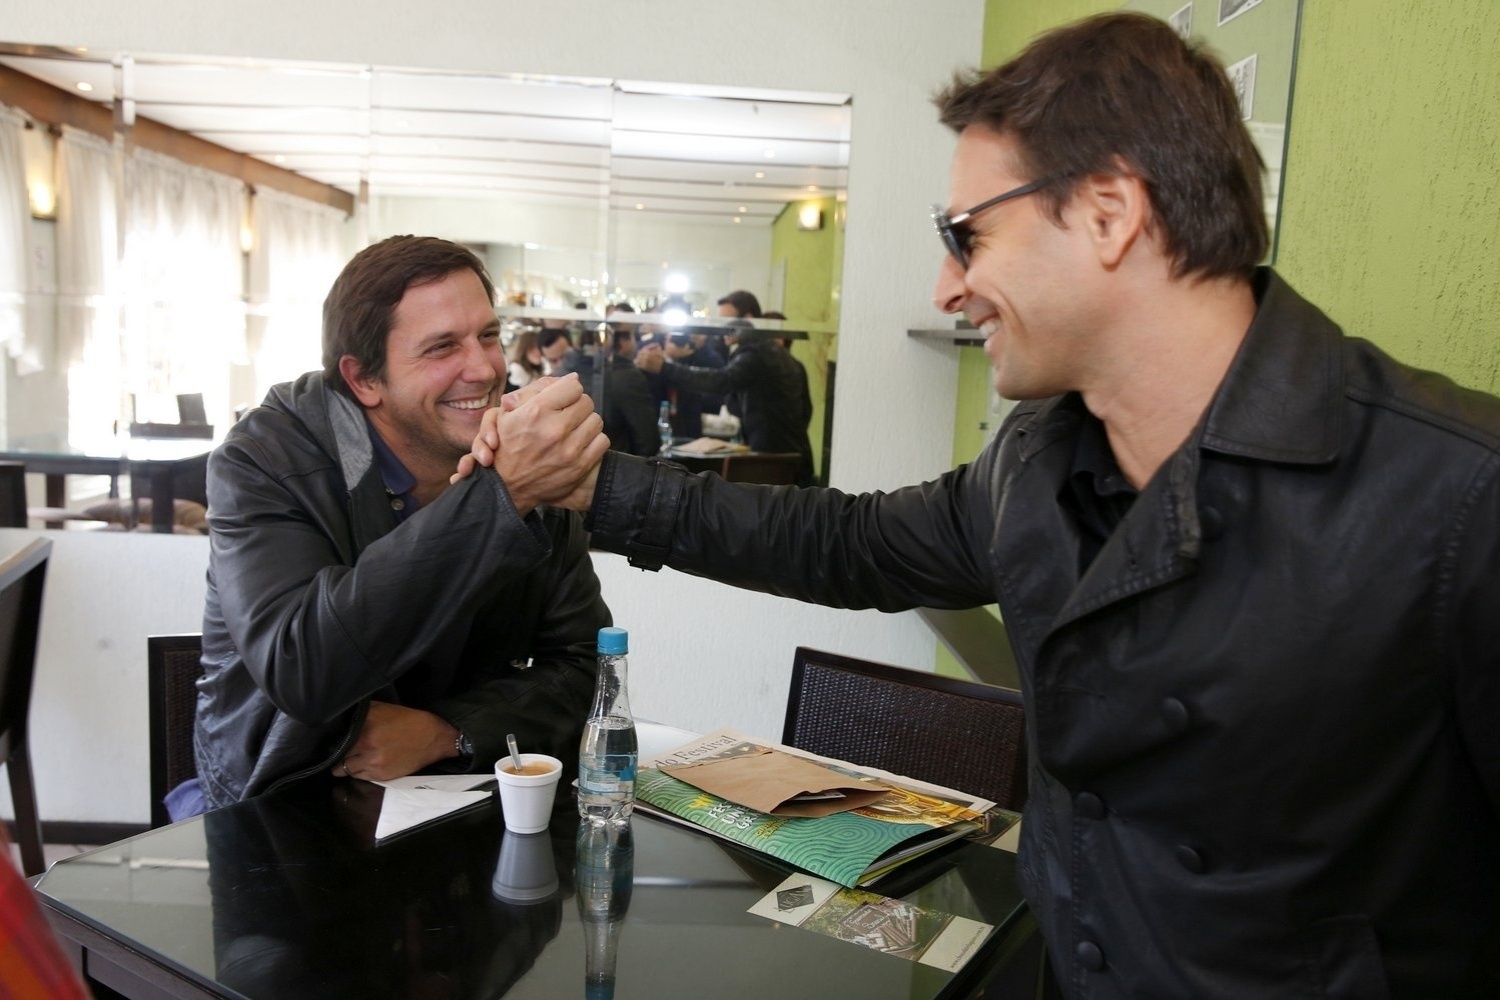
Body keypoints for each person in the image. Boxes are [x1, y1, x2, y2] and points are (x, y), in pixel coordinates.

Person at [459, 12, 1500, 998]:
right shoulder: (1038, 459)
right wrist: (602, 487)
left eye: (967, 236)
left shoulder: (1461, 495)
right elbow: (845, 542)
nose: (946, 288)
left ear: (1107, 211)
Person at [193, 235, 611, 813]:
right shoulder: (265, 461)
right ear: (364, 379)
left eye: (488, 336)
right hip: (288, 807)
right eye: (442, 348)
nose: (485, 368)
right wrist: (502, 496)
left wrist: (448, 730)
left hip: (469, 809)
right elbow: (302, 667)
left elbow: (586, 668)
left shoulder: (521, 452)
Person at [635, 318, 815, 487]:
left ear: (734, 338)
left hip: (771, 458)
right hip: (799, 455)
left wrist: (665, 368)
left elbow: (720, 381)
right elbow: (806, 410)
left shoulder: (753, 356)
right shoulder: (791, 361)